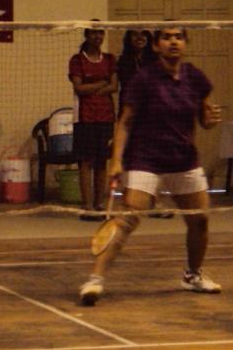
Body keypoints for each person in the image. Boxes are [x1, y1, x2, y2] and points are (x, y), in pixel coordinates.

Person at [79, 26, 223, 306]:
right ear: (156, 45)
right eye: (166, 37)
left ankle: (193, 275)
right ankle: (95, 280)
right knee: (127, 219)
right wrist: (116, 161)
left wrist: (210, 120)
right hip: (145, 159)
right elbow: (125, 122)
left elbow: (204, 118)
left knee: (200, 220)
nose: (173, 41)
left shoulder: (195, 77)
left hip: (183, 159)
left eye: (178, 37)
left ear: (185, 43)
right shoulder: (143, 79)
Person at [118, 29, 173, 219]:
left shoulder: (155, 62)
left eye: (143, 34)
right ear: (129, 39)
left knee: (155, 158)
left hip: (152, 114)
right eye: (135, 34)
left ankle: (156, 201)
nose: (139, 38)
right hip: (131, 114)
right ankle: (129, 200)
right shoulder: (123, 62)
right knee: (130, 159)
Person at [68, 24, 118, 221]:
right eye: (94, 33)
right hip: (85, 118)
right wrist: (101, 84)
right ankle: (87, 205)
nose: (98, 36)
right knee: (85, 161)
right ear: (87, 35)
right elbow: (79, 88)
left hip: (105, 117)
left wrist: (94, 88)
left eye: (100, 32)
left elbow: (114, 86)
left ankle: (99, 204)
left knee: (101, 161)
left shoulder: (110, 59)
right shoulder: (77, 60)